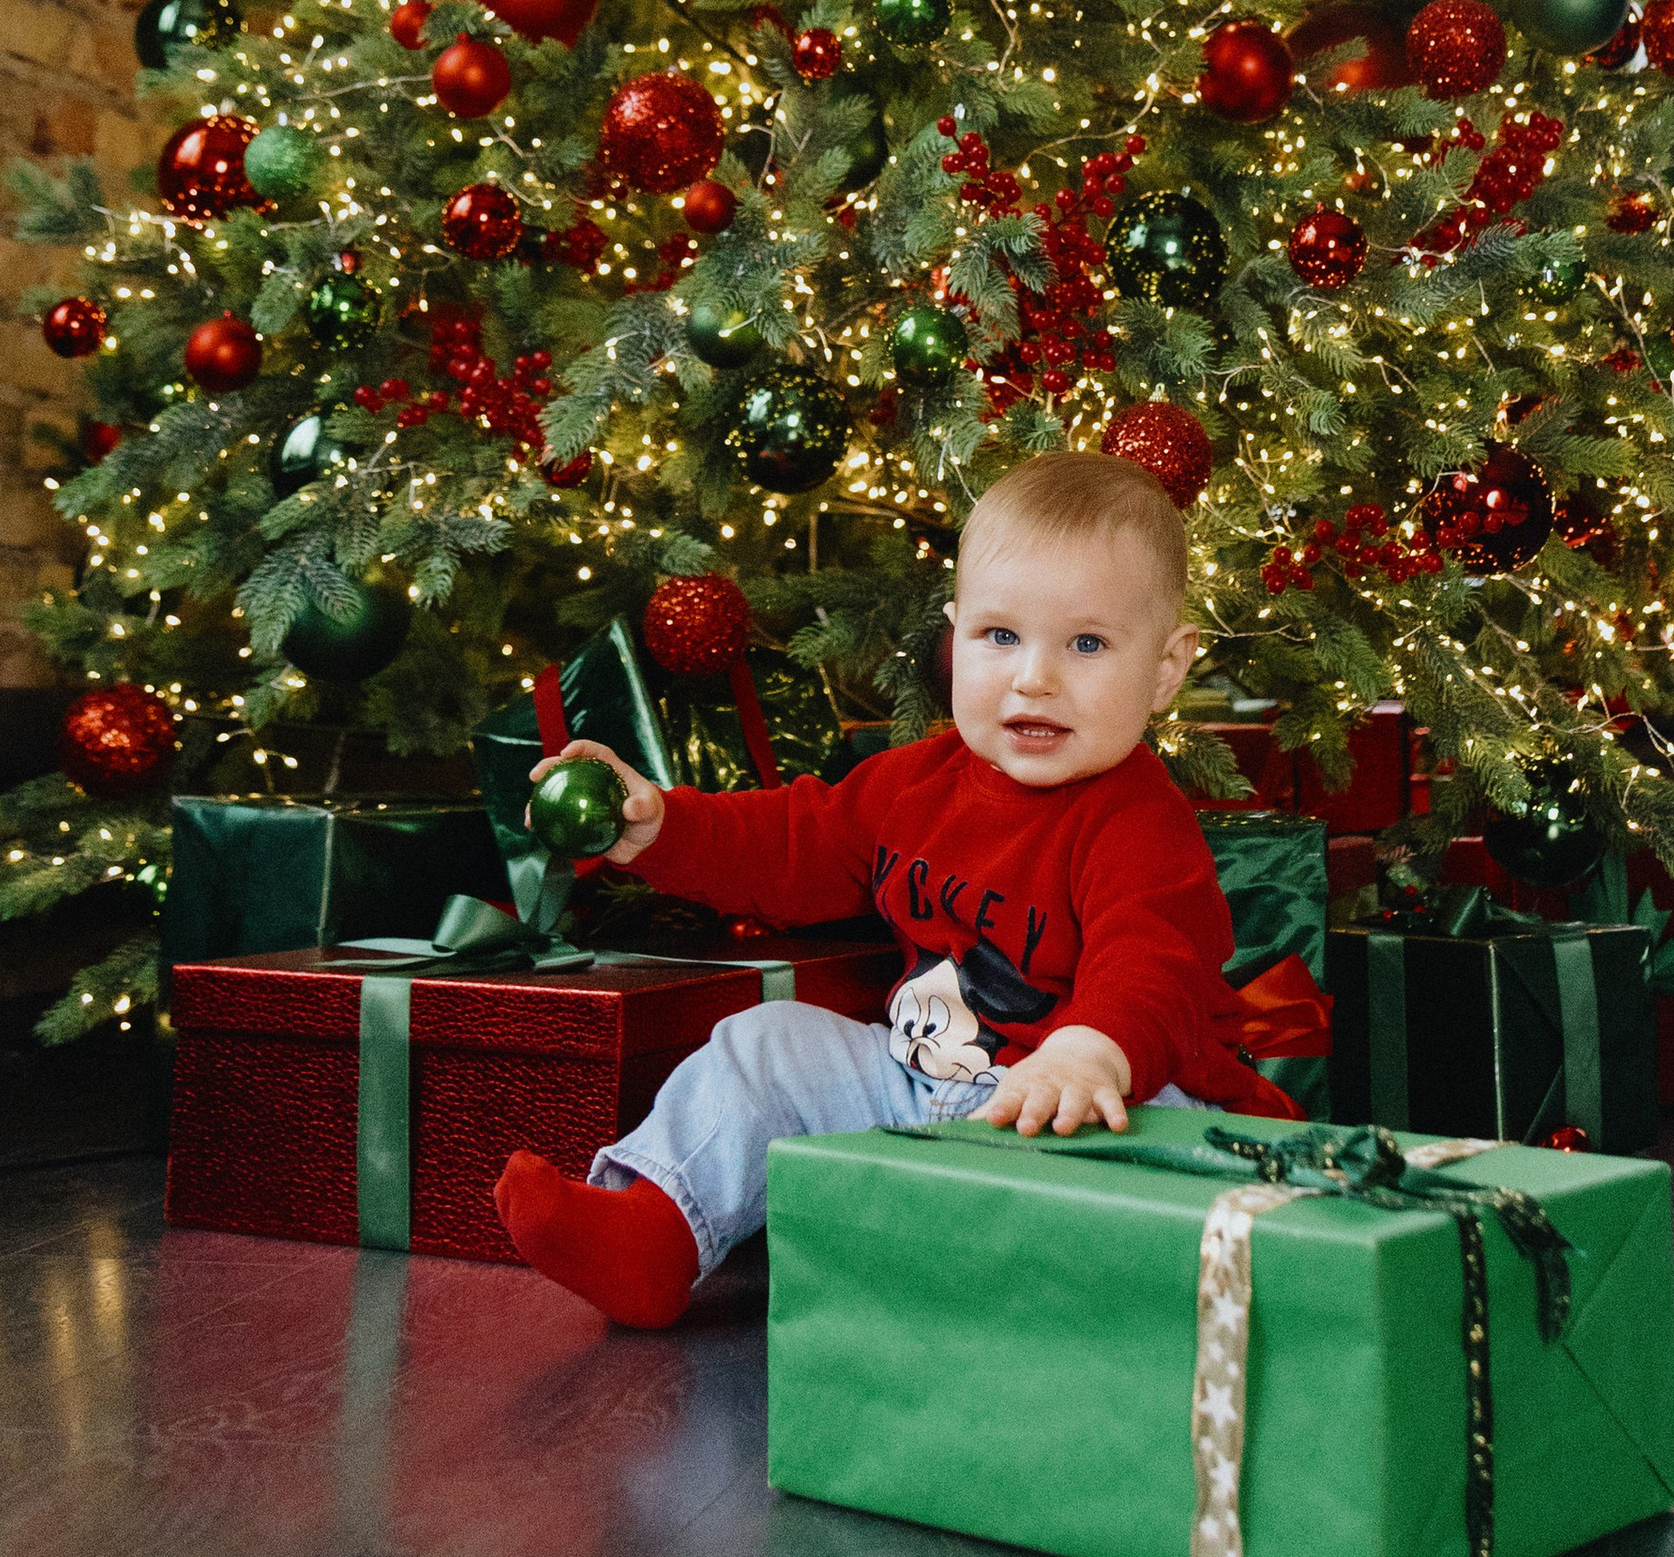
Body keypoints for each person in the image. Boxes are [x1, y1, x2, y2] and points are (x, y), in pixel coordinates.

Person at [493, 448, 1294, 1325]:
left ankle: (1011, 1293)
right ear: (955, 636)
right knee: (767, 1042)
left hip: (1078, 1101)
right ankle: (660, 1230)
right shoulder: (913, 783)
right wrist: (662, 826)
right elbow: (787, 844)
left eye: (1088, 643)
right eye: (1000, 636)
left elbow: (1154, 965)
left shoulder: (1138, 823)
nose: (1034, 676)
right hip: (917, 1080)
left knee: (1133, 1136)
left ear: (1168, 667)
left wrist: (1089, 1051)